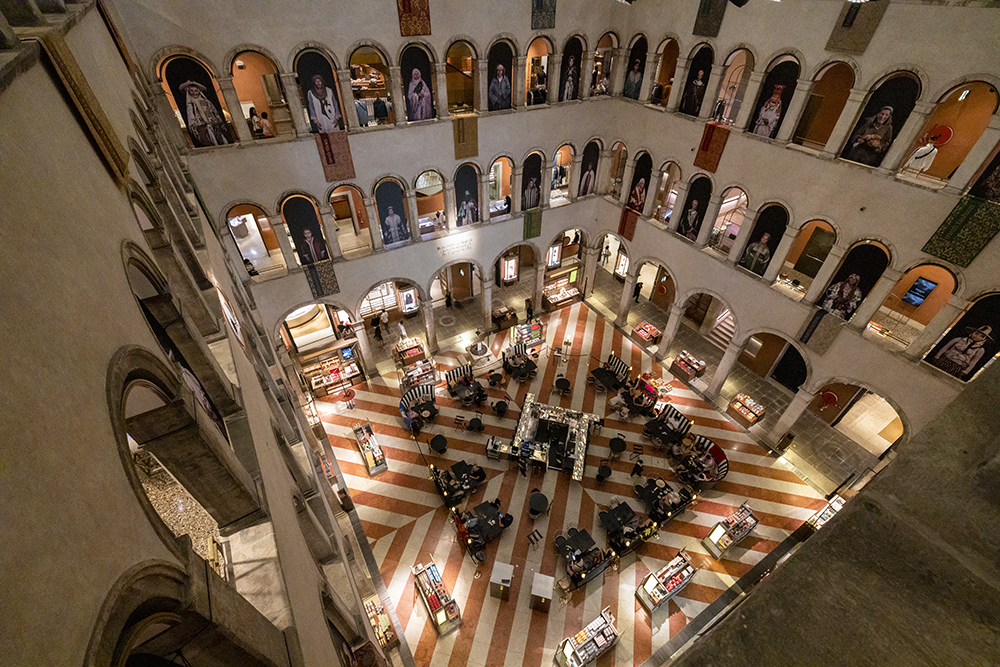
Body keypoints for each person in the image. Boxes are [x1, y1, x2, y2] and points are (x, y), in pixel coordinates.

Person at [179, 80, 230, 147]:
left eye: (196, 91)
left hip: (214, 125)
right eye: (191, 91)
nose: (194, 93)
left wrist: (220, 123)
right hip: (202, 128)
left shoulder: (206, 102)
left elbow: (215, 113)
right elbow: (191, 118)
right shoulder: (190, 105)